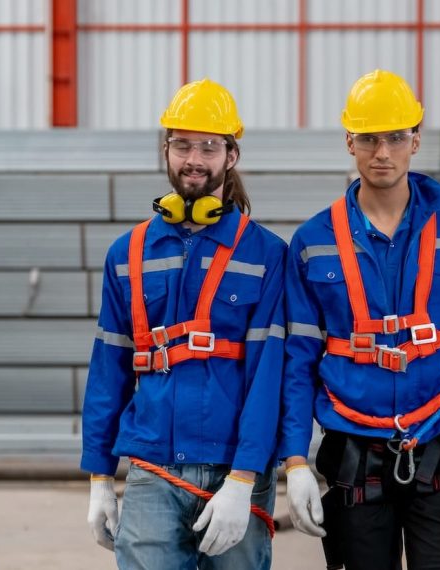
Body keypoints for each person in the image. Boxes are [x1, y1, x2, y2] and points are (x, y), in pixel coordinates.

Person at [280, 69, 440, 570]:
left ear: (415, 140)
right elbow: (296, 360)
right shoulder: (313, 242)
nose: (381, 152)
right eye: (368, 138)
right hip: (352, 450)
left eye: (393, 137)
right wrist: (295, 459)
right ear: (349, 142)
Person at [81, 78, 290, 569]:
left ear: (231, 156)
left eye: (209, 146)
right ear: (165, 149)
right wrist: (98, 478)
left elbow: (270, 377)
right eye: (182, 145)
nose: (194, 158)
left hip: (235, 467)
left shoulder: (266, 255)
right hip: (153, 468)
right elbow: (108, 370)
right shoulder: (127, 255)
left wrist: (244, 478)